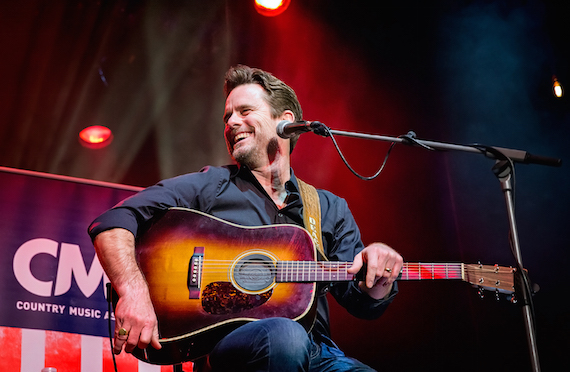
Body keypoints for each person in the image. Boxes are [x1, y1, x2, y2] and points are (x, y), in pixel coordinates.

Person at [89, 65, 403, 372]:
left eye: (244, 111)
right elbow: (113, 221)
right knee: (284, 336)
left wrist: (381, 276)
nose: (231, 122)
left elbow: (361, 302)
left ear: (285, 122)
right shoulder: (212, 186)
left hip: (317, 353)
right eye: (227, 117)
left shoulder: (328, 209)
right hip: (229, 348)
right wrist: (133, 292)